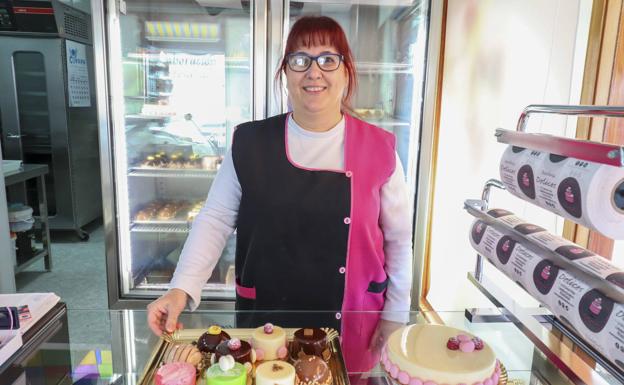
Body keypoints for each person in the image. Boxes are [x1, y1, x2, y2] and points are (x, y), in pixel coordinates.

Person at [147, 15, 413, 372]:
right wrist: (180, 289)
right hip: (266, 323)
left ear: (346, 71)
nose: (314, 72)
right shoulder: (251, 143)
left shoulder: (380, 149)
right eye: (300, 59)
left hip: (352, 321)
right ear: (285, 72)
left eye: (328, 59)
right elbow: (215, 219)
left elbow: (399, 240)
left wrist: (395, 312)